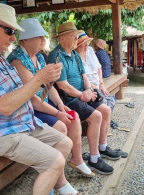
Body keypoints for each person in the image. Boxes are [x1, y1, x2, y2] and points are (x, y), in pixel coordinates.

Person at [0, 3, 78, 195]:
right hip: (0, 132)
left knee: (65, 143)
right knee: (56, 160)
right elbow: (4, 107)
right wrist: (39, 78)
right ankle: (52, 184)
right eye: (9, 30)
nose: (13, 37)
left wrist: (45, 82)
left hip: (22, 123)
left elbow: (21, 94)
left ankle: (58, 185)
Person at [7, 18, 94, 177]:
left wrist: (60, 105)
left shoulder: (40, 57)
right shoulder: (18, 60)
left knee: (72, 117)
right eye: (38, 36)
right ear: (25, 40)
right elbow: (33, 99)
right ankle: (56, 175)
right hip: (28, 108)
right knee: (61, 125)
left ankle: (77, 159)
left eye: (43, 36)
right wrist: (56, 113)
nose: (43, 39)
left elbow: (49, 86)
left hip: (42, 103)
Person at [47, 22, 121, 175]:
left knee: (106, 110)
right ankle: (94, 158)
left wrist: (88, 90)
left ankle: (102, 147)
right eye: (73, 36)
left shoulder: (74, 55)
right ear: (62, 38)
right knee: (96, 116)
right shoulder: (56, 56)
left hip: (82, 95)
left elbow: (84, 77)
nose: (76, 39)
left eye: (76, 36)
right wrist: (82, 95)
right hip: (67, 100)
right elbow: (63, 86)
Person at [75, 30, 116, 115]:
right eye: (83, 43)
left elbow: (99, 68)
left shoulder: (90, 50)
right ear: (77, 44)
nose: (87, 45)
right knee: (105, 105)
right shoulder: (74, 56)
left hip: (98, 83)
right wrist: (95, 87)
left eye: (87, 42)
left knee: (110, 98)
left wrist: (101, 84)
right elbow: (80, 78)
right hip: (87, 87)